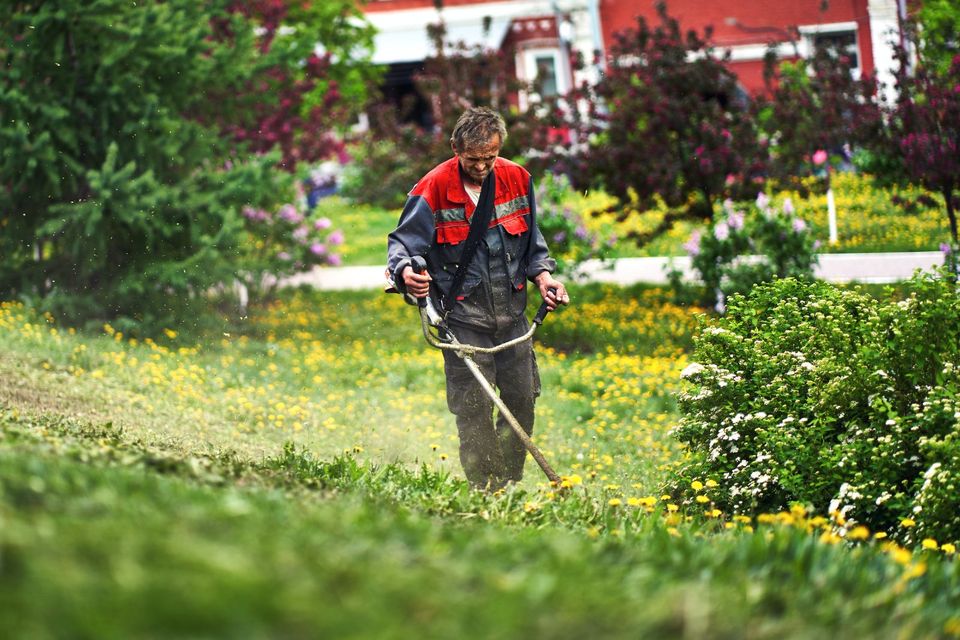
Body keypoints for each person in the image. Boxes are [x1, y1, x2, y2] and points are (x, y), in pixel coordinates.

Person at [387, 106, 569, 491]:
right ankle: (486, 489)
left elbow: (533, 246)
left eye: (490, 157)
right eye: (473, 159)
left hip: (513, 315)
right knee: (474, 408)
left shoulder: (517, 178)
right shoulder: (432, 188)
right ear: (456, 148)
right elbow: (403, 246)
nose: (483, 167)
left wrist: (545, 278)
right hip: (463, 320)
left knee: (521, 399)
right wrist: (408, 274)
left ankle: (509, 481)